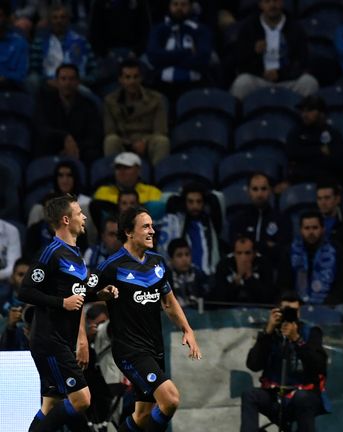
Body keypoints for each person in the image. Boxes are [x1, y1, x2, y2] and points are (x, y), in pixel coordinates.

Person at [94, 206, 201, 432]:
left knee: (142, 416)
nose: (152, 231)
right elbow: (82, 296)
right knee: (170, 399)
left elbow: (169, 302)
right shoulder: (110, 266)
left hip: (154, 348)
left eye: (152, 226)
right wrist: (82, 340)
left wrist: (187, 329)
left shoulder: (157, 263)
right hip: (129, 350)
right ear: (129, 232)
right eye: (146, 226)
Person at [18, 194, 118, 432]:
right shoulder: (51, 252)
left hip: (62, 338)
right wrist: (61, 302)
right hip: (49, 340)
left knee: (51, 405)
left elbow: (77, 292)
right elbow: (26, 291)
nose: (84, 217)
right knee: (82, 399)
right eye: (78, 213)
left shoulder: (74, 253)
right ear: (66, 219)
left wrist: (98, 295)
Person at [240, 291, 328, 432]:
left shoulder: (311, 332)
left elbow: (319, 367)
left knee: (302, 397)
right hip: (275, 396)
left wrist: (297, 340)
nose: (291, 315)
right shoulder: (271, 334)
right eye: (286, 311)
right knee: (249, 394)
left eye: (295, 311)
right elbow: (253, 365)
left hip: (304, 395)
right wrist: (267, 332)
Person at [228, 0, 318, 99]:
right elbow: (240, 62)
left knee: (309, 83)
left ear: (282, 2)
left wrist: (280, 74)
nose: (272, 5)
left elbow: (302, 61)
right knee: (242, 83)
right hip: (259, 79)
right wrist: (253, 51)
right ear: (261, 4)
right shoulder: (249, 27)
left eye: (276, 1)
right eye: (267, 1)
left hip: (288, 80)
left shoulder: (295, 28)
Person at [146, 0, 213, 108]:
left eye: (183, 4)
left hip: (194, 85)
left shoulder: (201, 30)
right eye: (175, 4)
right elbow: (154, 56)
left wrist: (167, 58)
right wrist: (187, 52)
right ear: (169, 6)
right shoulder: (158, 29)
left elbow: (203, 58)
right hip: (163, 86)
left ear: (191, 6)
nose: (179, 8)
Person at [103, 60, 170, 166]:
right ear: (120, 79)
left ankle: (159, 178)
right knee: (111, 140)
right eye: (128, 77)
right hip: (124, 142)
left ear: (141, 78)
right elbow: (110, 130)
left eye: (135, 77)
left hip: (148, 141)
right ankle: (112, 178)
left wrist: (144, 141)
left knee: (162, 141)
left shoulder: (156, 99)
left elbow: (160, 130)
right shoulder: (110, 101)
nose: (132, 81)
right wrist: (130, 143)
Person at [35, 63, 103, 165]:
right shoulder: (45, 103)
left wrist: (74, 147)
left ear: (78, 82)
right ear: (56, 82)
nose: (67, 83)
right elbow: (41, 128)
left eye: (72, 79)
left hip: (80, 151)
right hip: (54, 148)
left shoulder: (89, 105)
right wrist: (65, 137)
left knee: (92, 154)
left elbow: (94, 136)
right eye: (63, 79)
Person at [277, 211, 343, 305]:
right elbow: (283, 284)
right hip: (296, 304)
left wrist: (330, 302)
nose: (311, 232)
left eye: (315, 228)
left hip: (330, 304)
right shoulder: (290, 251)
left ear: (323, 229)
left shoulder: (336, 250)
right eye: (307, 228)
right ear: (301, 230)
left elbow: (342, 282)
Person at [157, 182, 221, 276]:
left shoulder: (208, 224)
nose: (195, 206)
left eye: (199, 202)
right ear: (184, 202)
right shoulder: (174, 223)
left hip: (208, 277)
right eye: (190, 202)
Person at [28, 4, 96, 91]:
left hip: (77, 85)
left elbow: (93, 70)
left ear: (68, 19)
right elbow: (34, 70)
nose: (59, 21)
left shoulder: (81, 41)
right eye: (55, 18)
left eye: (62, 17)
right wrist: (46, 80)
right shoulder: (39, 42)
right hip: (48, 84)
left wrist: (81, 80)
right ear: (50, 21)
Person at [228, 172, 291, 262]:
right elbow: (236, 247)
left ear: (270, 191)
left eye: (264, 189)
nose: (259, 193)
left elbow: (282, 250)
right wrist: (267, 245)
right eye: (255, 189)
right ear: (248, 191)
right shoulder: (239, 220)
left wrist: (252, 244)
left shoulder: (282, 219)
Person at [213, 235, 275, 306]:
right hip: (230, 312)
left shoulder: (264, 264)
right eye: (239, 253)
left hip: (257, 311)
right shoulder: (224, 265)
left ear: (254, 253)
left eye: (247, 253)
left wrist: (250, 277)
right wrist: (237, 280)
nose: (243, 258)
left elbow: (267, 298)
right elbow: (219, 299)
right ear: (234, 253)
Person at [167, 238, 210, 308]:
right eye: (179, 255)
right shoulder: (165, 278)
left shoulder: (199, 275)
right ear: (171, 260)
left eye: (187, 254)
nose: (184, 259)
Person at [0, 0, 29, 91]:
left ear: (6, 18)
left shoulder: (19, 42)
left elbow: (21, 75)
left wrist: (4, 77)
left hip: (10, 90)